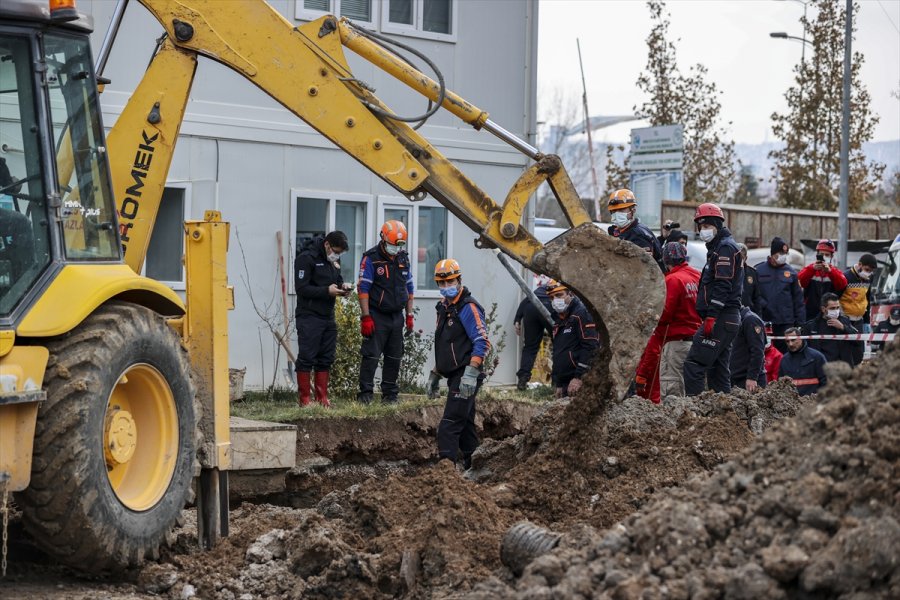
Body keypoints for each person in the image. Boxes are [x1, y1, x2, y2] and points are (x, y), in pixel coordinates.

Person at [426, 259, 490, 470]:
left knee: (449, 424)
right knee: (465, 427)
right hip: (453, 374)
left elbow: (481, 341)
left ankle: (445, 471)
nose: (446, 288)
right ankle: (477, 468)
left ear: (459, 280)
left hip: (466, 374)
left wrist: (471, 373)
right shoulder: (444, 309)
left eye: (450, 282)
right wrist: (436, 373)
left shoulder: (468, 308)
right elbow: (445, 344)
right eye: (441, 284)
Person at [683, 203, 744, 396]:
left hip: (721, 317)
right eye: (700, 227)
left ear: (717, 225)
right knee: (717, 370)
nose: (703, 231)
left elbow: (722, 285)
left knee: (694, 364)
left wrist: (711, 317)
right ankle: (724, 417)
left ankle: (695, 413)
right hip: (727, 318)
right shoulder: (718, 247)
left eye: (707, 226)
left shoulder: (724, 248)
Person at [356, 220, 415, 404]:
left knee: (394, 356)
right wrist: (366, 317)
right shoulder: (371, 258)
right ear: (383, 238)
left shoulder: (403, 258)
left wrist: (409, 315)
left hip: (397, 315)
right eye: (392, 245)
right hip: (376, 315)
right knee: (371, 355)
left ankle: (390, 395)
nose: (395, 249)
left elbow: (409, 288)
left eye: (399, 245)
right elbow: (363, 289)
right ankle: (365, 395)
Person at [634, 241, 701, 402]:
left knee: (672, 391)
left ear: (665, 260)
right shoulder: (696, 276)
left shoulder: (672, 280)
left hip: (675, 343)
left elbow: (664, 314)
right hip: (696, 341)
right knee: (691, 392)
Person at [294, 230, 350, 408]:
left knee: (326, 357)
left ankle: (322, 398)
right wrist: (327, 291)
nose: (337, 255)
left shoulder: (333, 260)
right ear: (327, 245)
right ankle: (304, 400)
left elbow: (337, 279)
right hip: (309, 315)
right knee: (307, 357)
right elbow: (302, 288)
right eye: (336, 251)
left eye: (340, 253)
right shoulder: (306, 258)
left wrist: (343, 287)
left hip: (328, 315)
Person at [545, 280, 600, 398]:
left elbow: (591, 347)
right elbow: (558, 352)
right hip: (565, 383)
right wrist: (558, 383)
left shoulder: (582, 314)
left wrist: (579, 377)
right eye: (552, 297)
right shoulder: (558, 320)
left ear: (571, 294)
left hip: (578, 382)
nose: (555, 300)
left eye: (559, 295)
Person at [755, 236, 804, 353]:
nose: (783, 256)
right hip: (765, 321)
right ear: (773, 254)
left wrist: (800, 324)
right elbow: (753, 294)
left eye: (785, 253)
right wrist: (763, 305)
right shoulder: (758, 271)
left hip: (786, 323)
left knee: (786, 354)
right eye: (781, 253)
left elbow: (798, 301)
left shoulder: (791, 273)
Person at [606, 188, 664, 272]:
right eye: (614, 211)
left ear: (633, 211)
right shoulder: (618, 232)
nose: (617, 214)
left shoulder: (638, 236)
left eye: (621, 210)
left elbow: (641, 270)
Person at [513, 275, 554, 390]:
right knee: (560, 345)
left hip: (531, 307)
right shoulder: (564, 288)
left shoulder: (542, 287)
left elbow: (527, 299)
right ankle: (557, 381)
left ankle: (523, 378)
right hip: (549, 307)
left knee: (530, 347)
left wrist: (517, 318)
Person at [802, 292, 863, 367]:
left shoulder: (845, 321)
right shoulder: (812, 326)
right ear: (823, 309)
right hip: (823, 368)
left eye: (837, 308)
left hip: (843, 367)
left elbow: (858, 341)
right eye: (832, 308)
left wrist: (843, 327)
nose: (836, 310)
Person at [798, 239, 848, 322]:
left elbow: (842, 284)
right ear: (817, 255)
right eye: (821, 254)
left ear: (831, 256)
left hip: (829, 314)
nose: (824, 257)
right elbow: (800, 281)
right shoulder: (810, 269)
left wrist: (830, 272)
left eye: (827, 255)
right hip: (810, 315)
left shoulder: (834, 271)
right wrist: (812, 269)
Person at [779, 327, 827, 396]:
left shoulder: (817, 357)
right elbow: (781, 384)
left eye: (793, 340)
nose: (790, 344)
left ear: (800, 338)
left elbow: (826, 381)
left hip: (813, 402)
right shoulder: (784, 360)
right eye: (787, 341)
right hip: (792, 404)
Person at [729, 305, 767, 391]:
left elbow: (757, 351)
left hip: (748, 380)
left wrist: (752, 377)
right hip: (736, 378)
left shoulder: (751, 320)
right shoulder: (737, 320)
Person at [840, 253, 877, 332]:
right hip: (845, 320)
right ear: (860, 264)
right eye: (867, 270)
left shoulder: (870, 277)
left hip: (860, 320)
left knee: (859, 344)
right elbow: (836, 298)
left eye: (871, 271)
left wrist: (867, 321)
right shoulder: (845, 277)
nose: (868, 273)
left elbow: (867, 298)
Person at [737, 243, 763, 316]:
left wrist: (758, 317)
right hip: (732, 314)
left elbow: (757, 298)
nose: (739, 260)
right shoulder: (728, 272)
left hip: (748, 314)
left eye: (741, 257)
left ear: (746, 258)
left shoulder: (752, 273)